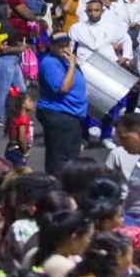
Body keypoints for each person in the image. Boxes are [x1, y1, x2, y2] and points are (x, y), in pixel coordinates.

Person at [37, 34, 87, 176]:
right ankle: (57, 186)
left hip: (72, 114)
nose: (64, 49)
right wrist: (72, 65)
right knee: (60, 157)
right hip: (59, 114)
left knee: (71, 154)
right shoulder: (50, 63)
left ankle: (67, 184)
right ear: (51, 46)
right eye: (60, 46)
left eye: (66, 45)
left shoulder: (64, 60)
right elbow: (63, 88)